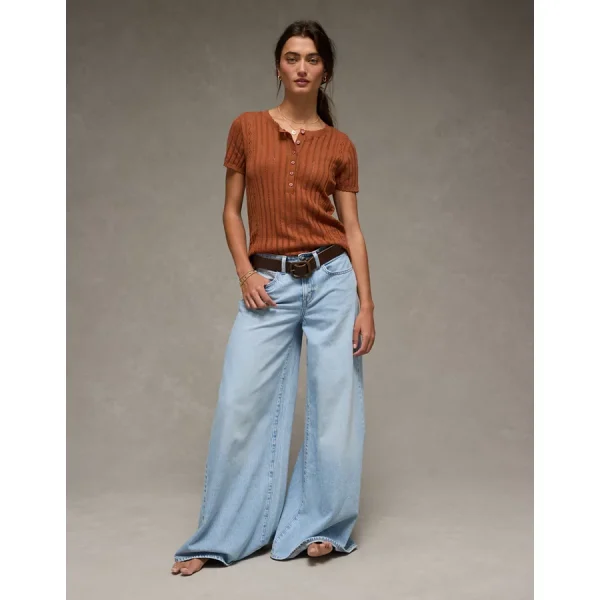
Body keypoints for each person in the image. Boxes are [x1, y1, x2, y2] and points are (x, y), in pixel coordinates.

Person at [171, 19, 376, 576]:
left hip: (332, 280)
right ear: (278, 67)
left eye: (312, 58)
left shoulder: (340, 145)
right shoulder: (246, 127)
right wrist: (245, 273)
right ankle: (223, 535)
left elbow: (353, 230)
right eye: (292, 57)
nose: (302, 67)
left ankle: (321, 526)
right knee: (240, 403)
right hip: (270, 284)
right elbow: (230, 211)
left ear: (325, 71)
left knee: (335, 407)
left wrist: (367, 304)